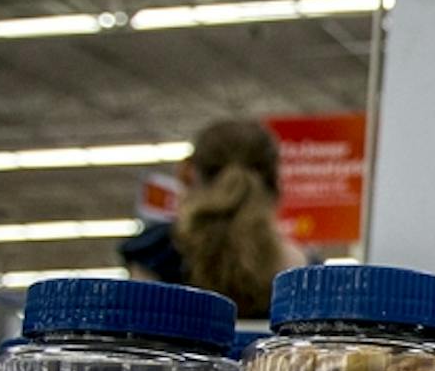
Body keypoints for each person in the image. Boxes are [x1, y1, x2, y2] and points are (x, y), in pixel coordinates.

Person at [121, 119, 304, 319]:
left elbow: (139, 334)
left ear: (188, 173)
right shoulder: (296, 265)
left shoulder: (153, 252)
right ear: (276, 181)